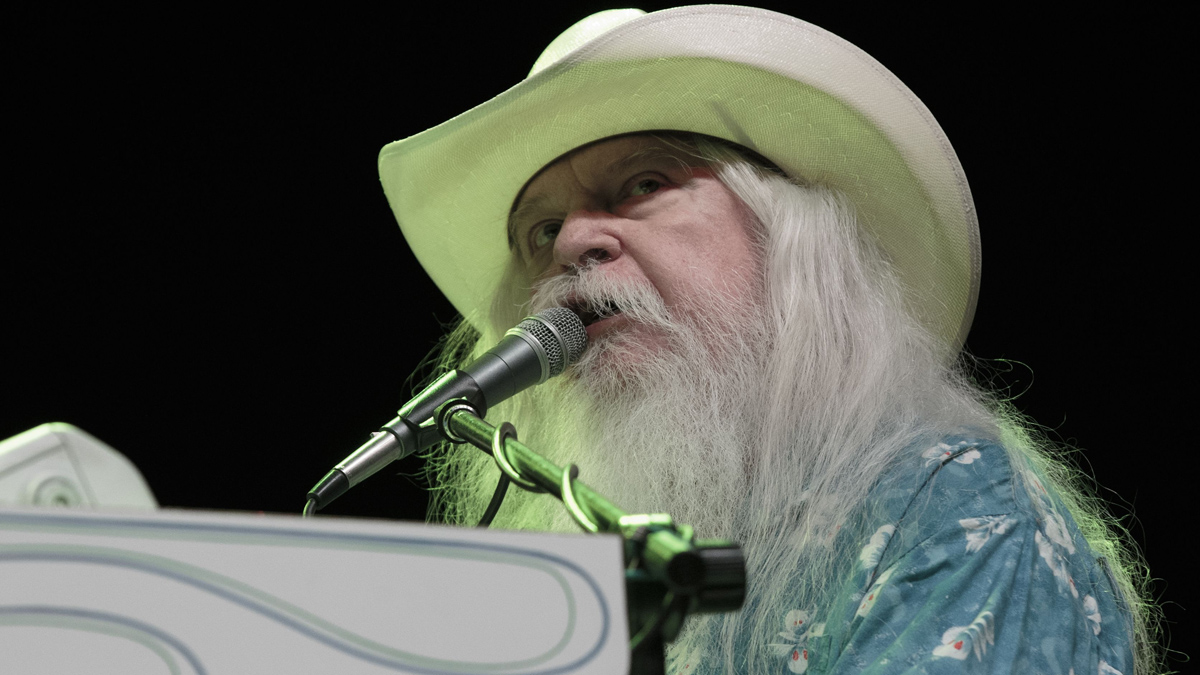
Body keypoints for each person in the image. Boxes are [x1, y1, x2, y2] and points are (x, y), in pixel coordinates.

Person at [377, 7, 1157, 674]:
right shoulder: (591, 584)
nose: (572, 240)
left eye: (644, 184)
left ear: (792, 241)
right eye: (542, 230)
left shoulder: (948, 500)